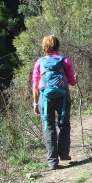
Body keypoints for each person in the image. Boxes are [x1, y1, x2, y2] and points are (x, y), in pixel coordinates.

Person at [32, 35, 77, 170]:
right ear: (58, 45)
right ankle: (63, 154)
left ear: (44, 46)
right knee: (64, 124)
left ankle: (52, 161)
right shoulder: (65, 60)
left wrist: (35, 103)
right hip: (63, 98)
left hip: (45, 99)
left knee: (49, 127)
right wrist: (75, 78)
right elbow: (72, 82)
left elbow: (35, 85)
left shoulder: (39, 62)